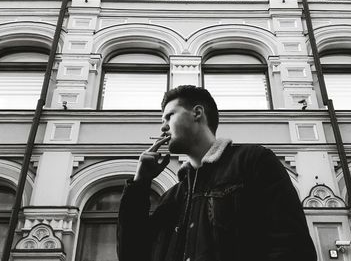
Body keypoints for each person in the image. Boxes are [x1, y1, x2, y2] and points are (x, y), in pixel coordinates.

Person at [118, 85, 317, 261]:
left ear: (197, 113)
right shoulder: (173, 197)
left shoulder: (253, 161)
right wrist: (140, 184)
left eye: (169, 116)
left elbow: (292, 247)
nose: (163, 127)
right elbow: (132, 254)